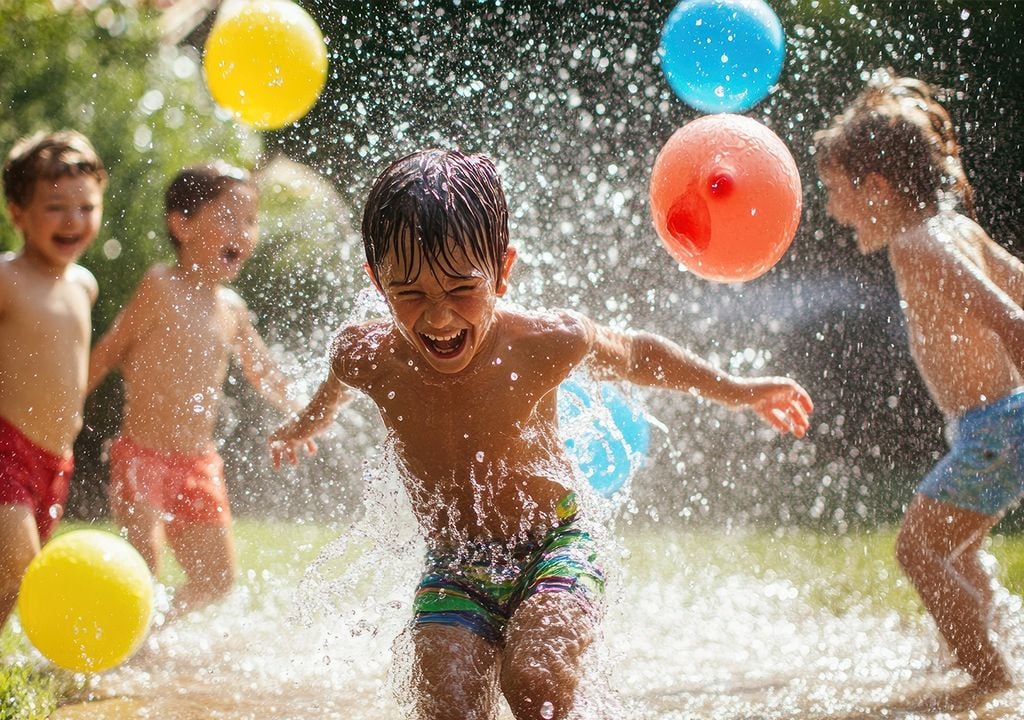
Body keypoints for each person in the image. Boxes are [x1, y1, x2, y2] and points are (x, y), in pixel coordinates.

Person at [269, 148, 813, 720]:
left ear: (503, 272)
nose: (438, 317)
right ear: (377, 284)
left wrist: (740, 390)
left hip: (554, 546)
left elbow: (635, 356)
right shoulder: (366, 354)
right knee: (447, 706)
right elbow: (334, 387)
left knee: (536, 679)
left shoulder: (543, 342)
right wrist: (307, 423)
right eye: (410, 294)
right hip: (455, 561)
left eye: (461, 289)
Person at [816, 69, 1024, 710]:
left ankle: (989, 681)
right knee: (960, 553)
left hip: (999, 426)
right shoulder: (955, 230)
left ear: (877, 187)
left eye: (836, 190)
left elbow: (1010, 319)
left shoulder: (916, 244)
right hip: (996, 425)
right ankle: (993, 650)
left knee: (918, 550)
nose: (832, 210)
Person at [88, 162, 305, 620]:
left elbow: (263, 372)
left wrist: (304, 412)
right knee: (142, 570)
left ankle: (152, 633)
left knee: (217, 580)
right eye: (228, 217)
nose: (243, 232)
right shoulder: (160, 285)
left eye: (250, 220)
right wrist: (68, 411)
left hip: (197, 464)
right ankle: (132, 640)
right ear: (182, 225)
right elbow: (109, 351)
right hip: (142, 458)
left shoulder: (232, 308)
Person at [0, 130, 107, 631]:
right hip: (7, 445)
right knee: (22, 565)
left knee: (11, 586)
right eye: (56, 208)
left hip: (55, 459)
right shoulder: (8, 278)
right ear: (17, 213)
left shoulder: (84, 284)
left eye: (86, 207)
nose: (73, 220)